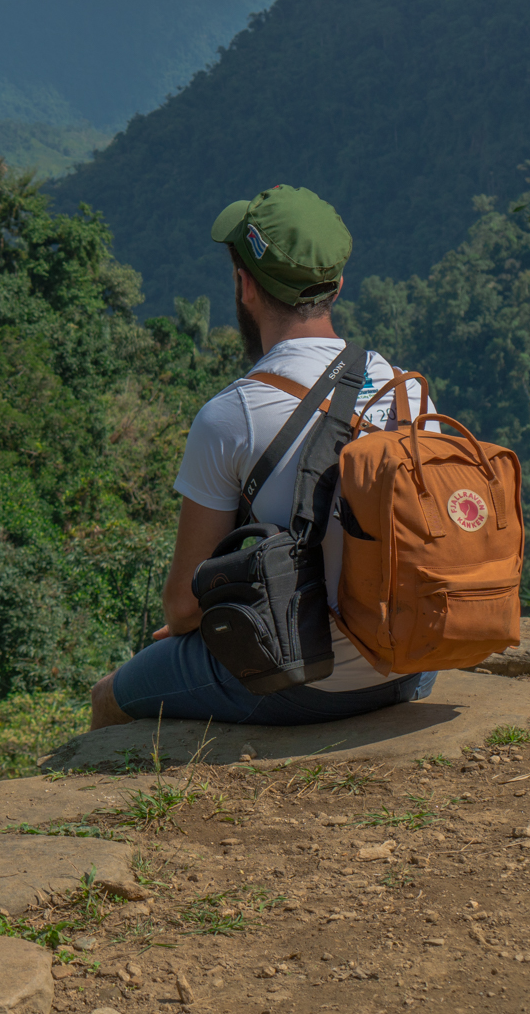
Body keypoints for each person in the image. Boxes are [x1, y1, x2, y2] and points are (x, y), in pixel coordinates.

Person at [89, 184, 436, 730]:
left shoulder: (232, 415)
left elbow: (182, 608)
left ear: (244, 286)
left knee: (109, 696)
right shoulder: (406, 390)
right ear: (338, 286)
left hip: (298, 679)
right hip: (408, 665)